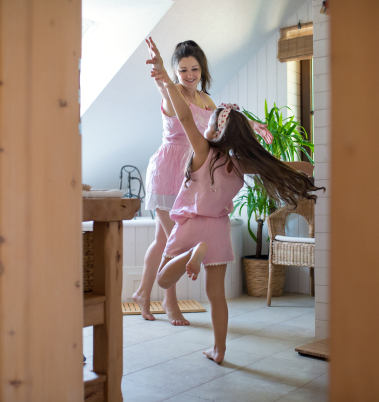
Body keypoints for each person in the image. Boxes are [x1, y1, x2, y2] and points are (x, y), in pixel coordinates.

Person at [149, 66, 323, 363]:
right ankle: (219, 350)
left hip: (191, 225)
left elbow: (185, 117)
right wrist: (314, 169)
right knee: (217, 294)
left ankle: (189, 255)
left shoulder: (203, 150)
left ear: (216, 130)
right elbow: (290, 167)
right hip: (218, 229)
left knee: (165, 281)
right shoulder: (240, 164)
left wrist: (167, 81)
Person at [132, 38, 273, 326]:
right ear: (175, 72)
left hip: (193, 172)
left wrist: (253, 125)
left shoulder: (207, 100)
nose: (189, 75)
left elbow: (225, 120)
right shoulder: (172, 93)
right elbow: (165, 89)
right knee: (173, 242)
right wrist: (160, 73)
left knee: (163, 239)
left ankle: (143, 293)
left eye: (194, 68)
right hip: (168, 170)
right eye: (182, 70)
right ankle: (169, 303)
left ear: (202, 69)